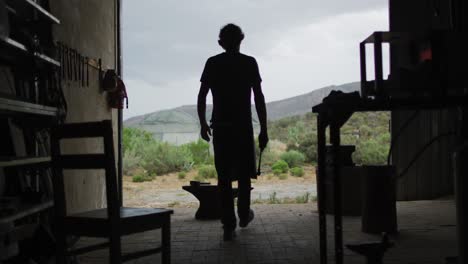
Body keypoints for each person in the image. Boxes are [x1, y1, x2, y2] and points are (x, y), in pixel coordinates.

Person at [197, 23, 268, 241]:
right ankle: (244, 214)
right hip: (243, 127)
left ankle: (229, 224)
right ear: (241, 40)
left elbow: (201, 96)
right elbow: (258, 97)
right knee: (245, 174)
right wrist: (264, 128)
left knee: (224, 177)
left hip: (221, 127)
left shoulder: (213, 63)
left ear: (221, 42)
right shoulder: (249, 63)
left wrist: (203, 123)